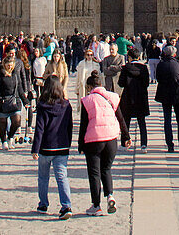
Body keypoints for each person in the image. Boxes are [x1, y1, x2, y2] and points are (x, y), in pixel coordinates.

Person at [78, 69, 132, 216]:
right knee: (106, 169)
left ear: (89, 88)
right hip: (111, 138)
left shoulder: (87, 100)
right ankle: (110, 196)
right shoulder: (112, 97)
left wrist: (80, 144)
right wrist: (126, 137)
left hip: (94, 139)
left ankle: (96, 205)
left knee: (94, 173)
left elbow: (83, 125)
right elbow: (121, 118)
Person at [32, 75, 73, 218]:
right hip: (61, 146)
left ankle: (43, 204)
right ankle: (66, 206)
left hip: (46, 147)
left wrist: (35, 148)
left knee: (43, 177)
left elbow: (40, 129)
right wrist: (68, 143)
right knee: (62, 177)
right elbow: (69, 127)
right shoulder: (66, 105)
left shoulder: (42, 105)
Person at [0, 46, 29, 150]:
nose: (9, 66)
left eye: (11, 65)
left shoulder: (15, 75)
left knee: (17, 121)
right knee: (2, 123)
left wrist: (25, 100)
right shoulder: (0, 74)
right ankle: (3, 141)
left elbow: (20, 88)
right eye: (8, 65)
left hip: (14, 101)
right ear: (5, 65)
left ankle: (10, 137)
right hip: (2, 101)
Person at [155, 45, 179, 153]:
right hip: (177, 95)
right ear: (174, 54)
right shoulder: (178, 65)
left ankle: (170, 145)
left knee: (167, 120)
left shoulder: (161, 65)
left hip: (165, 95)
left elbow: (157, 78)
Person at [118, 48, 150, 151]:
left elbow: (121, 83)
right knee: (142, 122)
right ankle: (143, 144)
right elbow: (146, 83)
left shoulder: (125, 68)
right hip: (140, 98)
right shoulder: (144, 68)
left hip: (128, 97)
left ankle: (124, 143)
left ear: (130, 58)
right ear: (139, 57)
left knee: (126, 122)